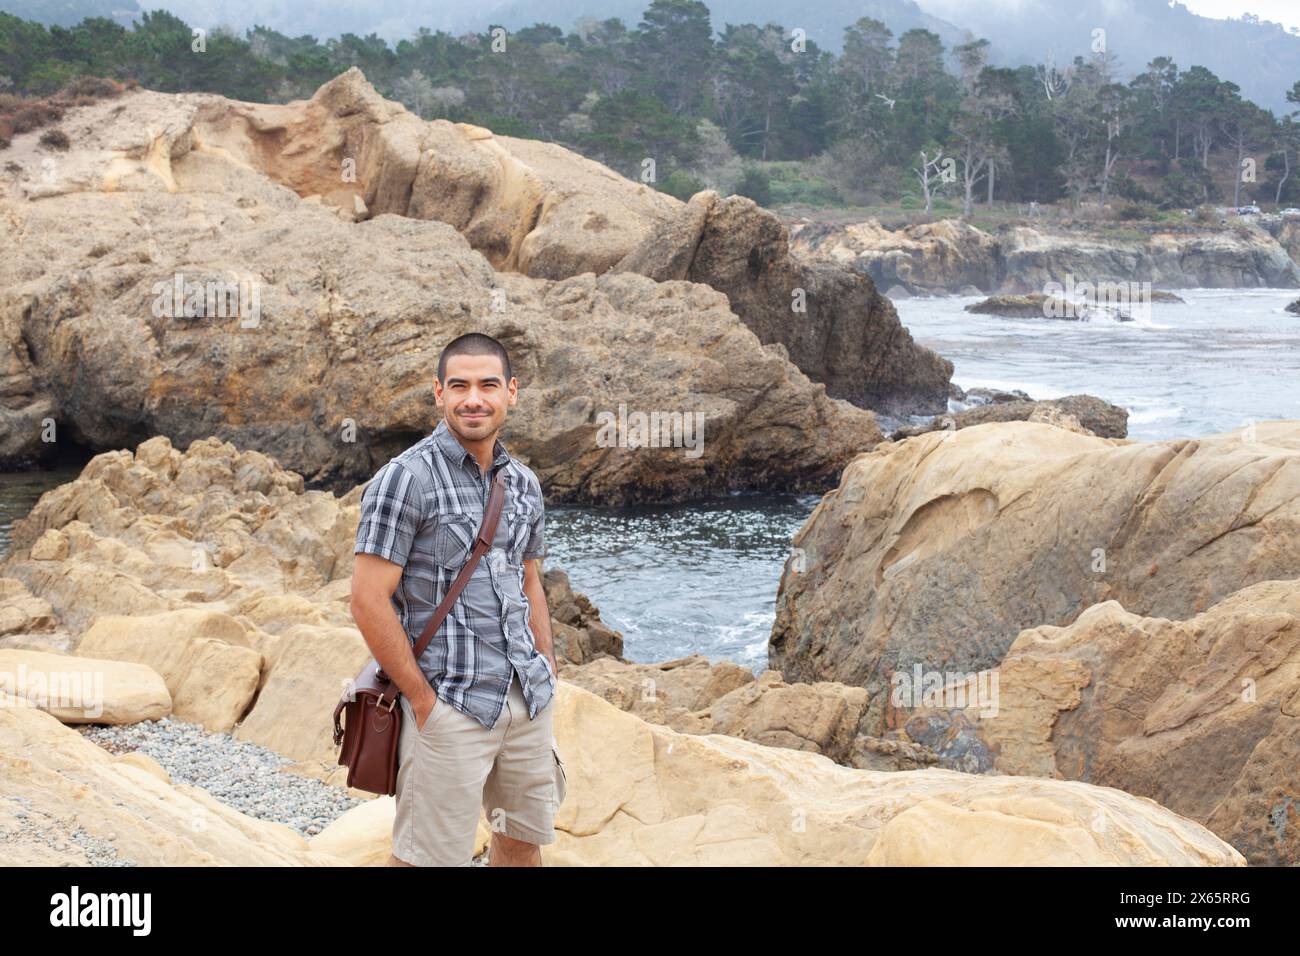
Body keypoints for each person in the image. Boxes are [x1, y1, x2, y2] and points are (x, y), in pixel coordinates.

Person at [350, 331, 565, 867]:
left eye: (488, 384)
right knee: (427, 859)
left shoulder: (523, 483)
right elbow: (368, 599)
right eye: (460, 385)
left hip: (525, 698)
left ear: (510, 392)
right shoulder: (404, 479)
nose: (475, 398)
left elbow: (528, 580)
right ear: (439, 393)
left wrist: (547, 666)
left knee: (520, 846)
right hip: (450, 702)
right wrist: (423, 702)